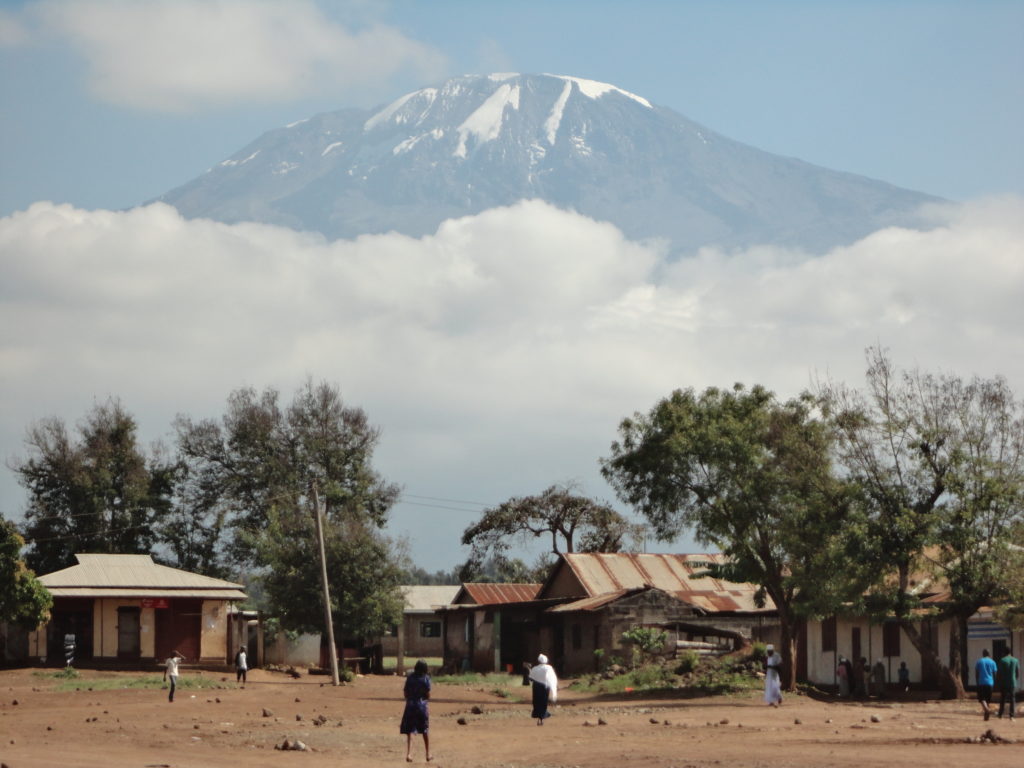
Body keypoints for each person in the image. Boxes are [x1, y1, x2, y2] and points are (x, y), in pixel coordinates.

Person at [400, 659, 432, 762]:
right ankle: (428, 754)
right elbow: (428, 695)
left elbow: (405, 693)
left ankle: (409, 754)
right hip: (422, 707)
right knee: (425, 730)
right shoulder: (426, 679)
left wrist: (411, 699)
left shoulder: (410, 678)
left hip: (410, 706)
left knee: (410, 731)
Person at [529, 653, 559, 725]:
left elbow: (530, 678)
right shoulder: (549, 668)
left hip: (536, 687)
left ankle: (538, 716)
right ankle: (542, 716)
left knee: (536, 701)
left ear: (538, 661)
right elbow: (552, 678)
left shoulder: (535, 668)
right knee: (543, 701)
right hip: (545, 687)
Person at [996, 648, 1019, 720]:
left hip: (1004, 682)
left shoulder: (1002, 660)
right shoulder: (1015, 660)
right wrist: (1014, 679)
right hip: (1012, 682)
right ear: (1010, 652)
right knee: (1012, 699)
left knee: (1003, 698)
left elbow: (999, 673)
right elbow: (1017, 673)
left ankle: (1000, 714)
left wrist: (998, 681)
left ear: (1004, 652)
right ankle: (1011, 715)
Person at [975, 649, 998, 721]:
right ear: (989, 654)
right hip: (990, 683)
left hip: (981, 682)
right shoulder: (993, 662)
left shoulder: (979, 661)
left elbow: (977, 673)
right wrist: (994, 683)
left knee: (982, 699)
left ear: (983, 654)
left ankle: (987, 710)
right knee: (987, 700)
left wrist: (977, 682)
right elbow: (995, 674)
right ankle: (986, 716)